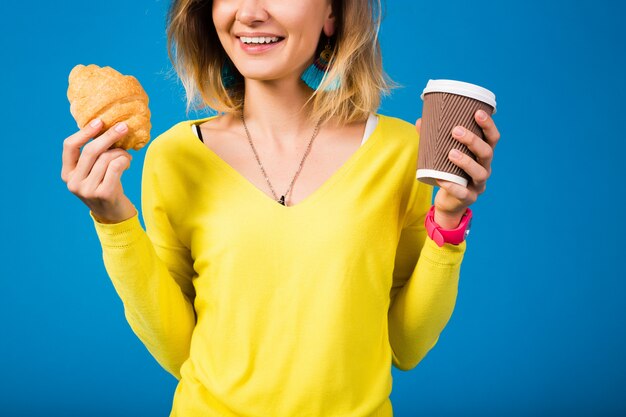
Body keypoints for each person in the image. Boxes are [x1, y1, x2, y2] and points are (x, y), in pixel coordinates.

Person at [60, 0, 501, 416]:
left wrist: (447, 219)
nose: (250, 13)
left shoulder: (400, 151)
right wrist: (112, 219)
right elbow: (180, 351)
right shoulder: (175, 156)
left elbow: (407, 344)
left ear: (331, 13)